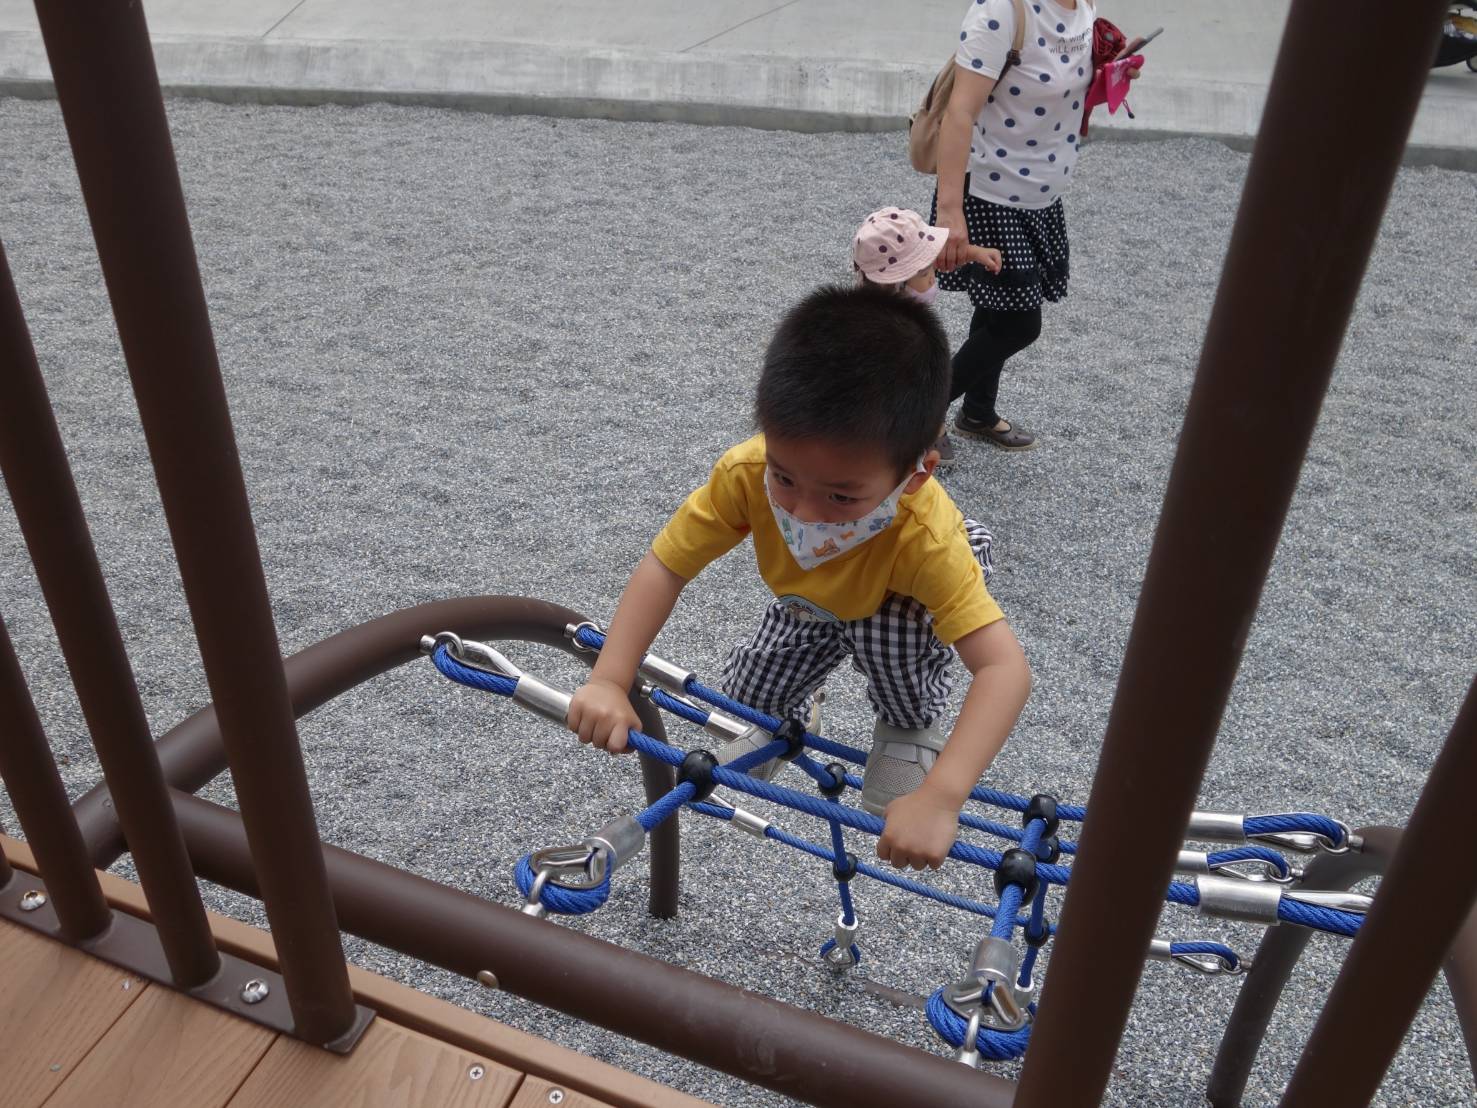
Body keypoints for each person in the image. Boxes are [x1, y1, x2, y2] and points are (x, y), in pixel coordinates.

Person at [566, 285, 1031, 871]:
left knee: (894, 653)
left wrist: (942, 796)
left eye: (841, 495)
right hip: (809, 597)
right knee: (751, 693)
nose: (805, 514)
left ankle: (905, 728)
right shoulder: (747, 472)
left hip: (900, 602)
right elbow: (667, 565)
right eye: (785, 479)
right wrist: (611, 677)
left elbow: (1004, 669)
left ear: (917, 474)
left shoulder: (926, 543)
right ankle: (793, 711)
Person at [931, 0, 1140, 453]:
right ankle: (919, 415)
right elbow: (959, 112)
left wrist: (1111, 77)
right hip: (990, 191)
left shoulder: (1084, 8)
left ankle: (977, 412)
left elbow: (1061, 96)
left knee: (997, 309)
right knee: (1020, 323)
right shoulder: (1001, 12)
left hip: (1040, 193)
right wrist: (950, 212)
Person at [851, 207, 1001, 468]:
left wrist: (973, 253)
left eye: (931, 269)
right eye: (924, 274)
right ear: (894, 286)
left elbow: (937, 255)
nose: (933, 279)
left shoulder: (892, 304)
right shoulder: (882, 333)